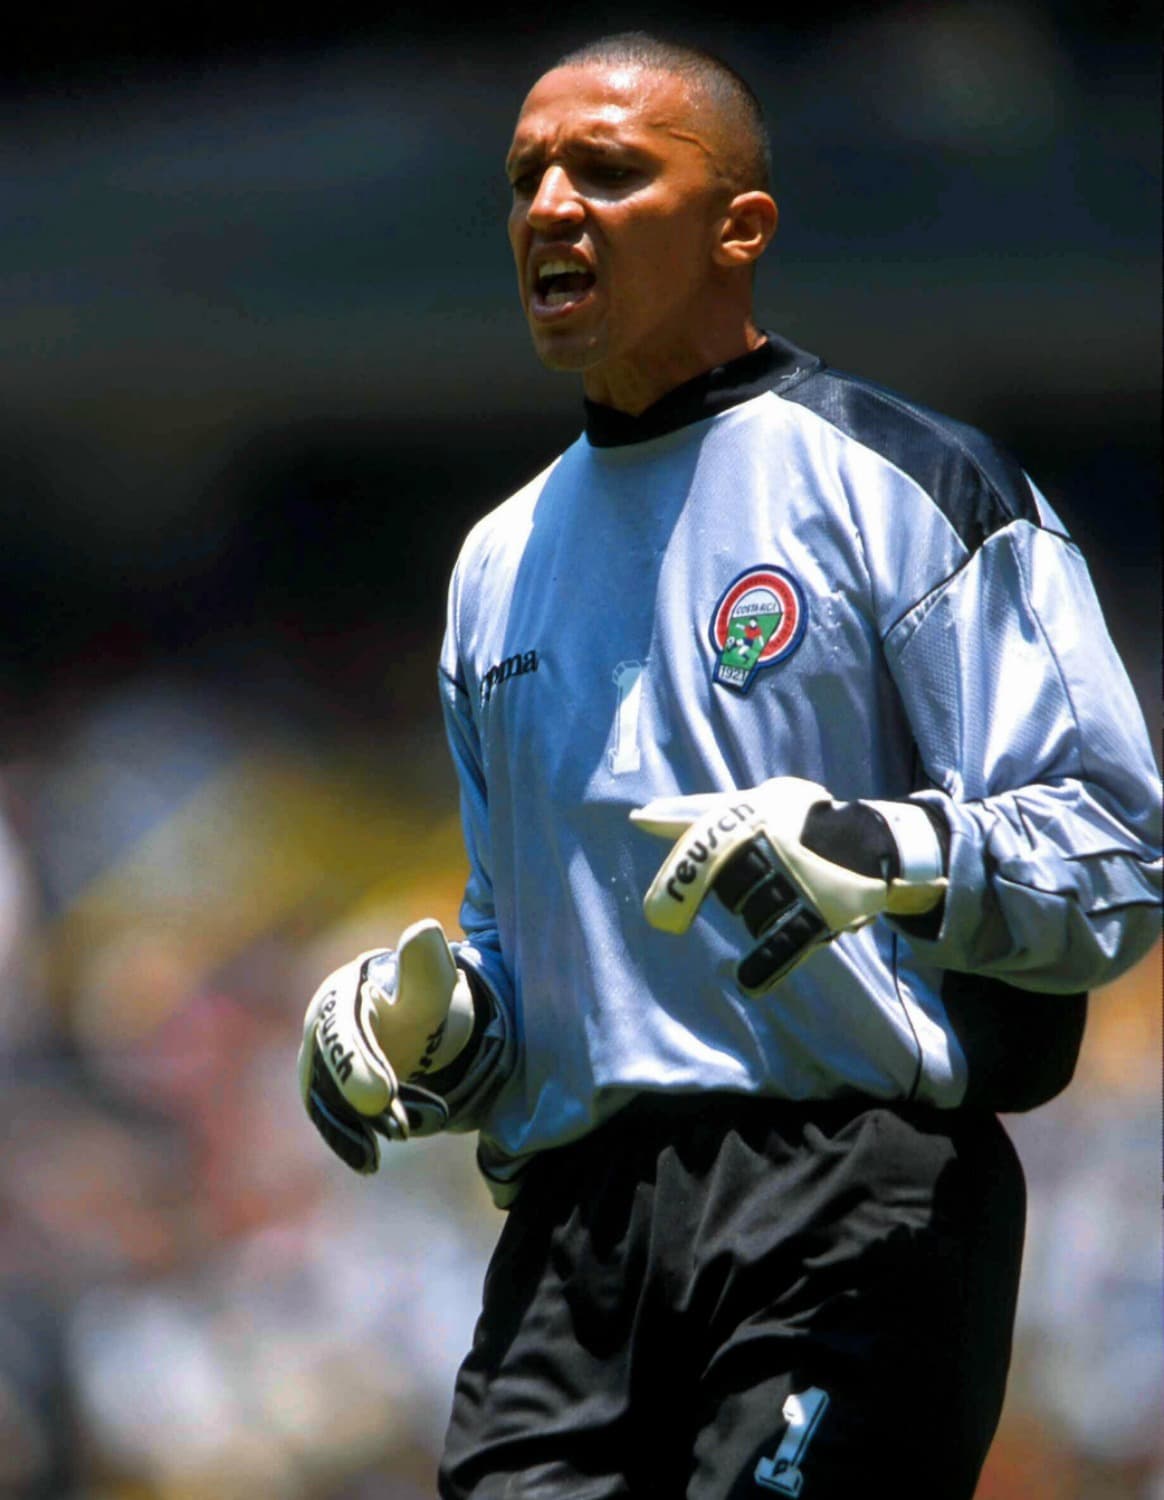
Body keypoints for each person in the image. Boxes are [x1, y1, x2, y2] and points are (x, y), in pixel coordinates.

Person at [297, 32, 1162, 1499]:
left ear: (738, 228)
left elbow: (1116, 854)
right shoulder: (494, 562)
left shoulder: (906, 484)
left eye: (607, 171)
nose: (549, 206)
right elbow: (529, 957)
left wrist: (880, 851)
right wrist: (438, 1039)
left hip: (853, 1197)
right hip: (571, 1244)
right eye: (526, 177)